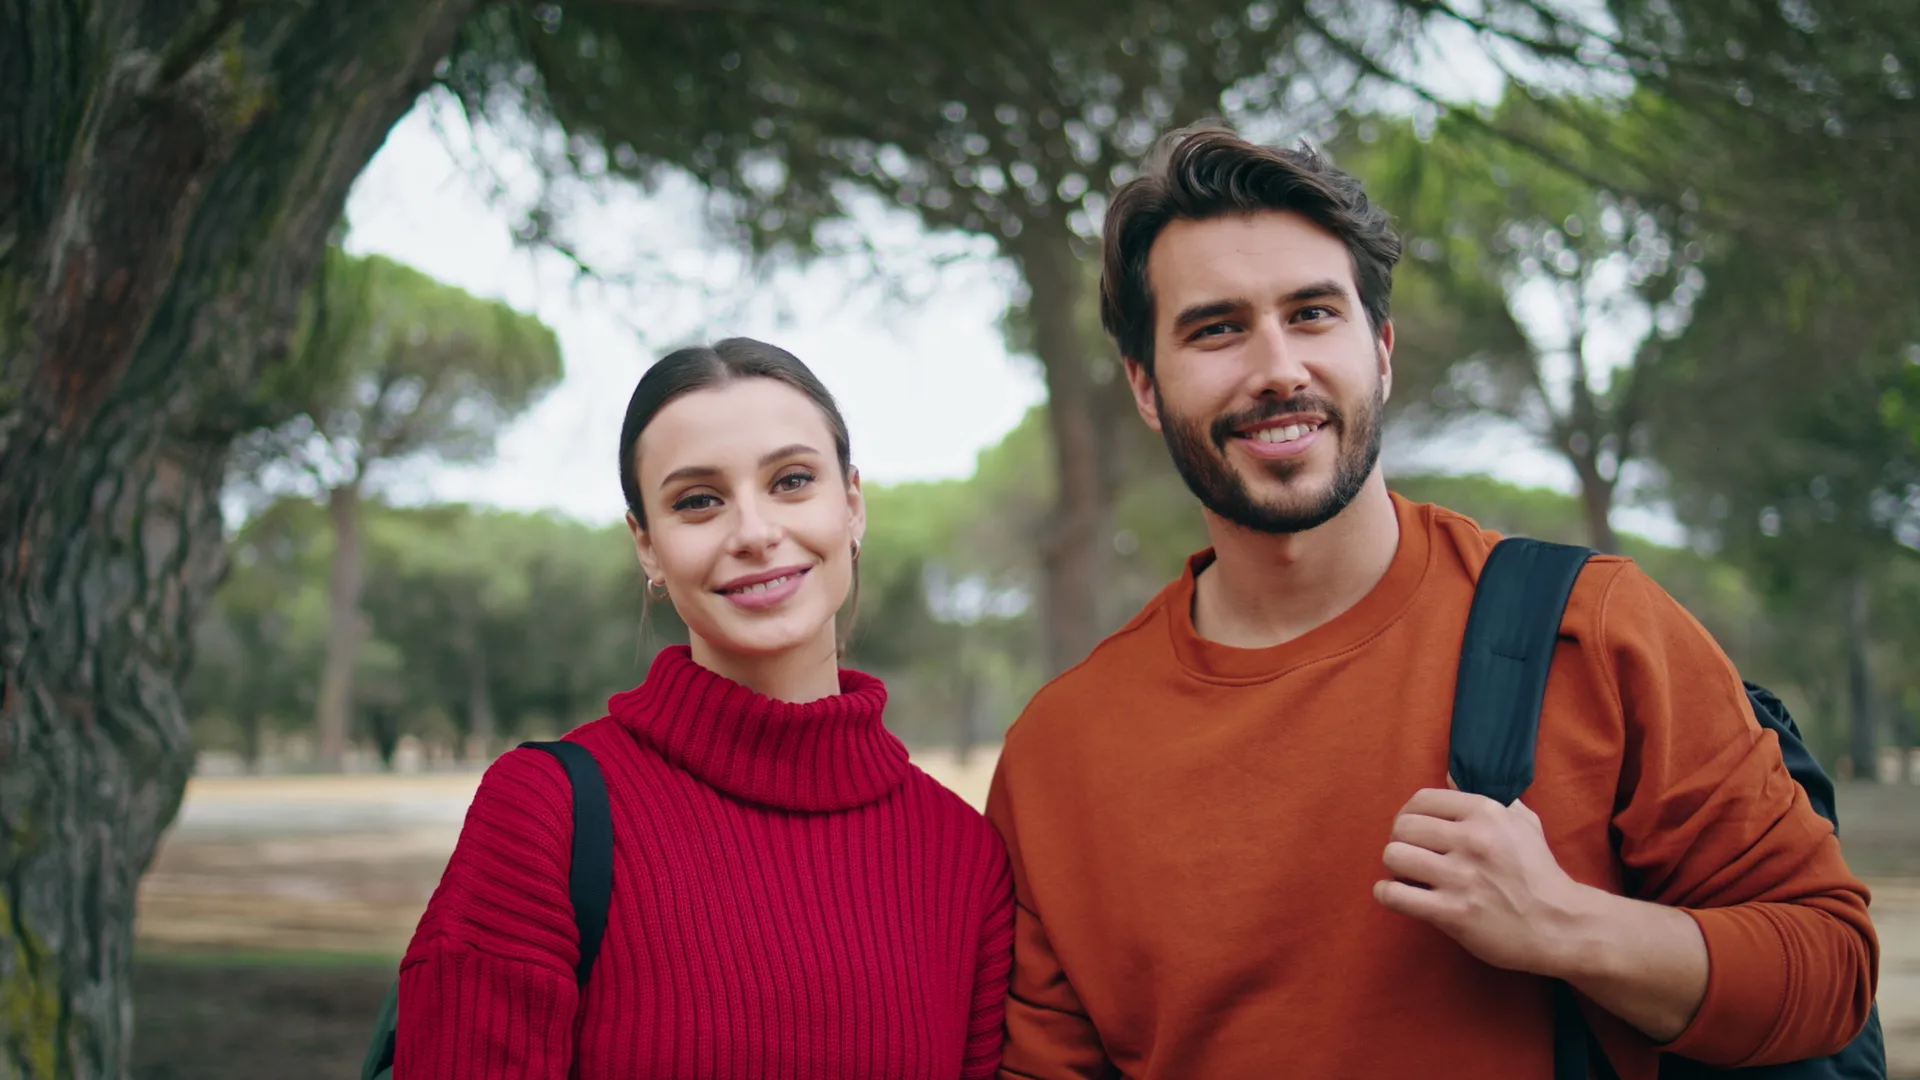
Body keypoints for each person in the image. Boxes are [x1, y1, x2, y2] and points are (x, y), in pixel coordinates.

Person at [985, 125, 1879, 1079]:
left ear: (1381, 351)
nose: (1278, 366)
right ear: (1146, 387)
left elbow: (1829, 970)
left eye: (1314, 313)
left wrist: (1566, 925)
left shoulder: (1598, 629)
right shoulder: (1060, 752)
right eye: (1217, 328)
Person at [397, 338, 1015, 1078]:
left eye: (791, 481)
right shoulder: (544, 813)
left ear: (852, 506)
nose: (754, 533)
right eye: (698, 501)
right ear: (648, 546)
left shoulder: (963, 855)